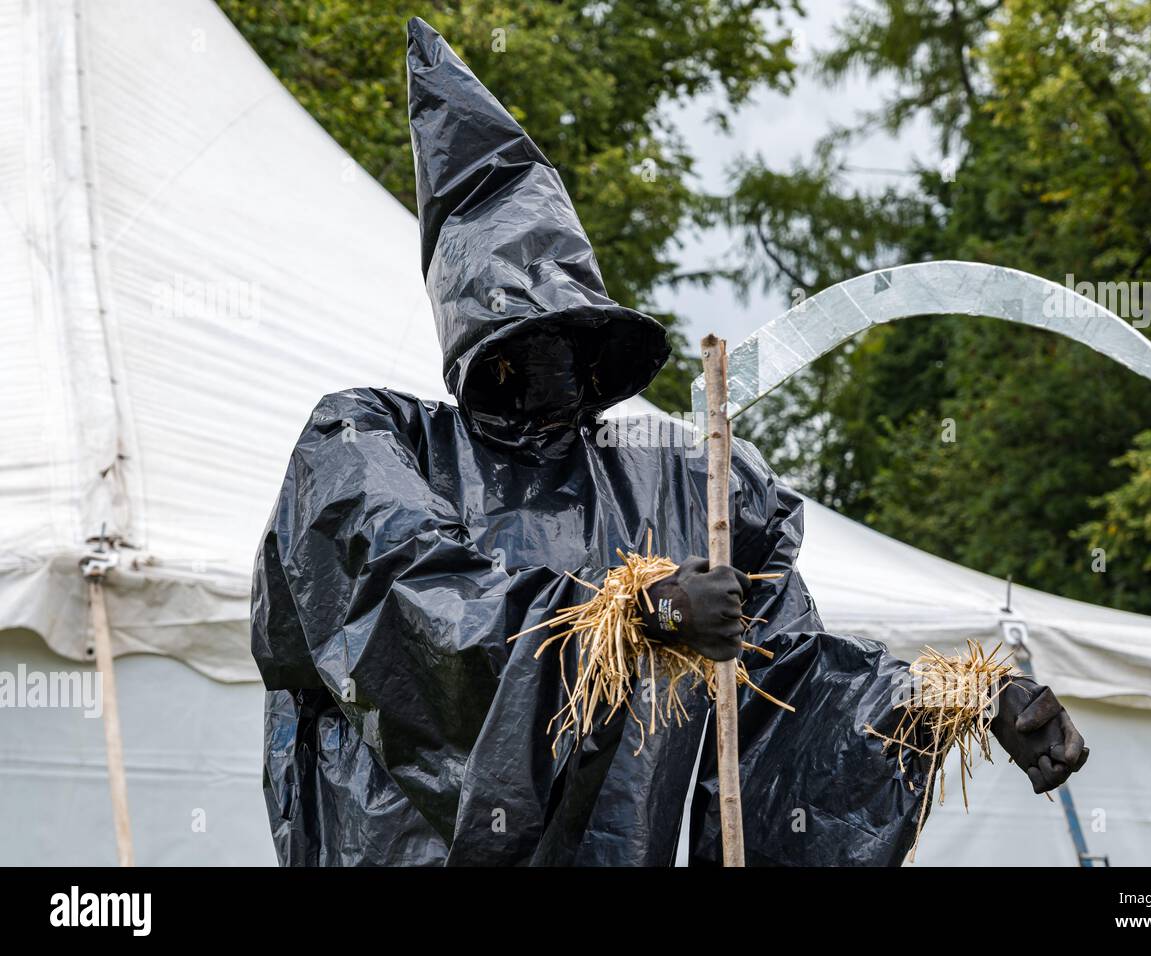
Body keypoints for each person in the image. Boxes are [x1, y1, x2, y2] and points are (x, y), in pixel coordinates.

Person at [251, 18, 1086, 867]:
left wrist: (964, 701)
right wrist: (632, 615)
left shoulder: (682, 491)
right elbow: (417, 619)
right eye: (521, 341)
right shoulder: (368, 444)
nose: (550, 368)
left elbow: (790, 682)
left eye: (574, 338)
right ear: (472, 344)